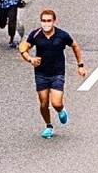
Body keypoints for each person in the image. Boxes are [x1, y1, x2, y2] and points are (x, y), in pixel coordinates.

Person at [18, 8, 88, 139]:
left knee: (56, 103)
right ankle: (49, 126)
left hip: (57, 73)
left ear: (54, 21)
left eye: (49, 21)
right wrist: (30, 59)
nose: (46, 24)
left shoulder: (62, 35)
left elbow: (75, 46)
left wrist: (80, 65)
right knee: (44, 103)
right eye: (43, 21)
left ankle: (61, 110)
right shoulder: (35, 34)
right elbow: (23, 48)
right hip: (41, 74)